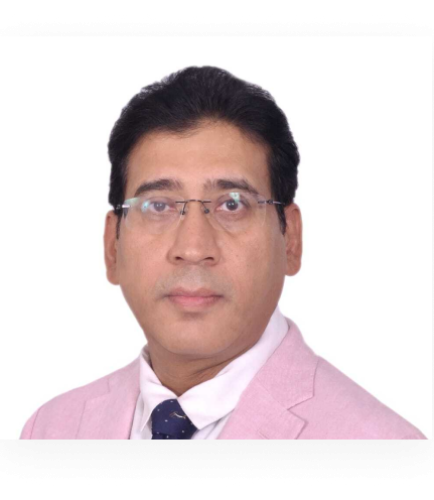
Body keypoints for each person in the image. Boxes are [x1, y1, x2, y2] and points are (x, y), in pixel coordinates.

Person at [20, 66, 427, 440]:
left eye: (232, 204)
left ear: (290, 239)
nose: (193, 248)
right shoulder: (51, 428)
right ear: (112, 246)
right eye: (158, 205)